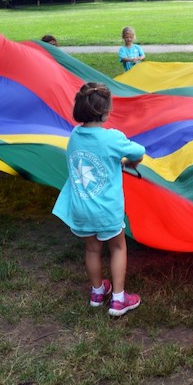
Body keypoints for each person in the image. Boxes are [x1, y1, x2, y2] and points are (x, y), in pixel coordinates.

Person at [52, 83, 144, 316]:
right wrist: (127, 162)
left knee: (92, 250)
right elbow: (138, 152)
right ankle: (119, 300)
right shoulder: (112, 138)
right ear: (105, 112)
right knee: (118, 248)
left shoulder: (74, 135)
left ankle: (96, 293)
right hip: (107, 210)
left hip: (81, 208)